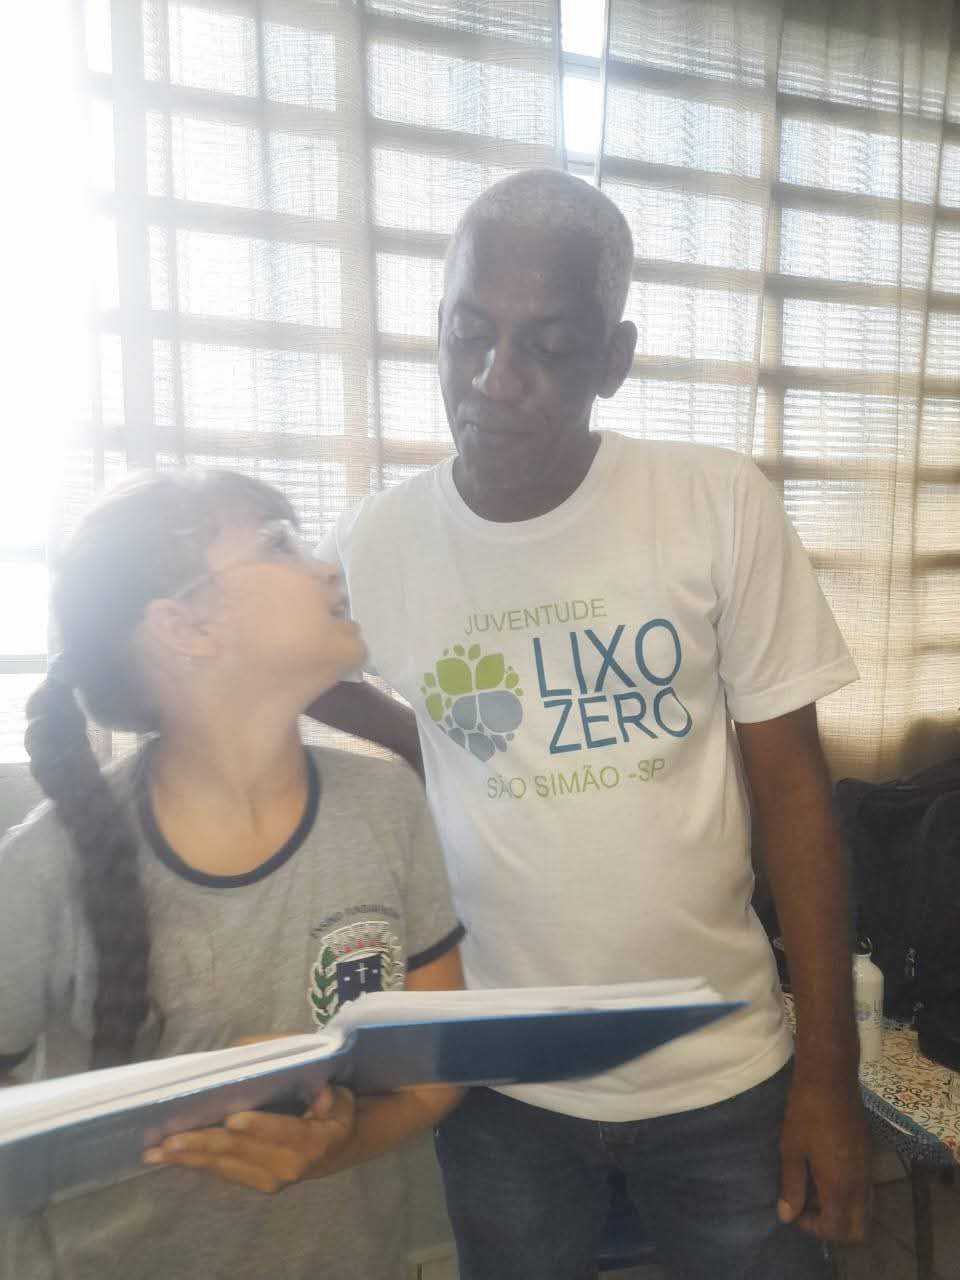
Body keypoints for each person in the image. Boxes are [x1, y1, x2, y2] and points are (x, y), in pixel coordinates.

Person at [311, 168, 870, 1279]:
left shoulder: (713, 503)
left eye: (549, 346)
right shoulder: (382, 541)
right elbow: (287, 666)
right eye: (469, 333)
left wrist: (828, 1074)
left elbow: (795, 794)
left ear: (614, 358)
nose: (493, 378)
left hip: (723, 1071)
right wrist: (425, 739)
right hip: (500, 1087)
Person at [0, 468, 464, 1280]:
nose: (326, 568)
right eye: (278, 545)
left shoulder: (386, 802)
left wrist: (336, 1143)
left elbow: (431, 1076)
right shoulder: (43, 868)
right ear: (185, 625)